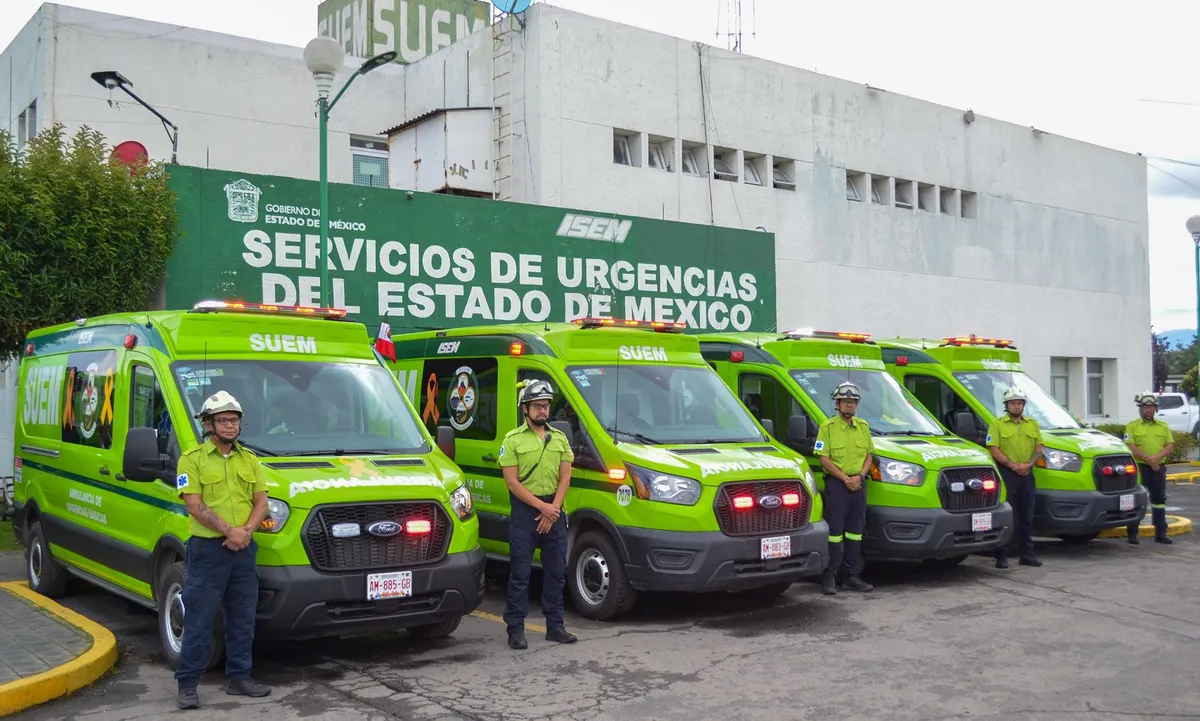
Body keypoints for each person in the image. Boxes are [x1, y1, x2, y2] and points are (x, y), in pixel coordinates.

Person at [174, 391, 272, 709]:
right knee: (199, 619)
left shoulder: (249, 459)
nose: (231, 425)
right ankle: (188, 685)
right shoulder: (191, 459)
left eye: (235, 420)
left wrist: (245, 533)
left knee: (243, 618)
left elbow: (261, 502)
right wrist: (231, 532)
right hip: (208, 550)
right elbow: (194, 505)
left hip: (244, 549)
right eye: (223, 420)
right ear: (208, 424)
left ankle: (240, 678)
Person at [498, 379, 577, 649]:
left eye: (546, 405)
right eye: (537, 406)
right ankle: (515, 629)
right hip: (526, 512)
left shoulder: (560, 438)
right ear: (525, 408)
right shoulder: (512, 440)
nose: (543, 410)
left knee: (556, 573)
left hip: (553, 509)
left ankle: (555, 626)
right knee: (520, 574)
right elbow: (512, 483)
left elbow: (565, 477)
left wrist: (552, 509)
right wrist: (542, 508)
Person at [815, 382, 874, 595]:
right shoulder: (827, 427)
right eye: (845, 401)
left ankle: (852, 577)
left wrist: (860, 477)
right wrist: (845, 479)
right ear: (837, 404)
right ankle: (829, 576)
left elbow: (869, 455)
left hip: (858, 484)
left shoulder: (863, 427)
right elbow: (823, 458)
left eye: (853, 402)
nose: (849, 405)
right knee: (834, 533)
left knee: (855, 533)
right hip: (837, 485)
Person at [986, 386, 1044, 569]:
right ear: (1006, 405)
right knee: (1008, 516)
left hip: (1027, 474)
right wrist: (1013, 466)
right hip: (1007, 474)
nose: (1016, 406)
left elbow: (1039, 448)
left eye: (1019, 403)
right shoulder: (997, 425)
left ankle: (1027, 555)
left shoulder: (1032, 424)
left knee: (1027, 517)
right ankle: (1001, 556)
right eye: (1013, 403)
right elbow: (994, 449)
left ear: (1023, 405)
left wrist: (1028, 465)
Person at [1123, 392, 1174, 545]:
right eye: (1145, 407)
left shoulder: (1163, 426)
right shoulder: (1132, 426)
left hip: (1158, 468)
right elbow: (1131, 447)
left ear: (1155, 409)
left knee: (1159, 500)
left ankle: (1161, 533)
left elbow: (1169, 446)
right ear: (1140, 409)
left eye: (1151, 407)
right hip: (1139, 468)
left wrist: (1156, 459)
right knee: (1136, 500)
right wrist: (1149, 460)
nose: (1148, 410)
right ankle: (1132, 533)